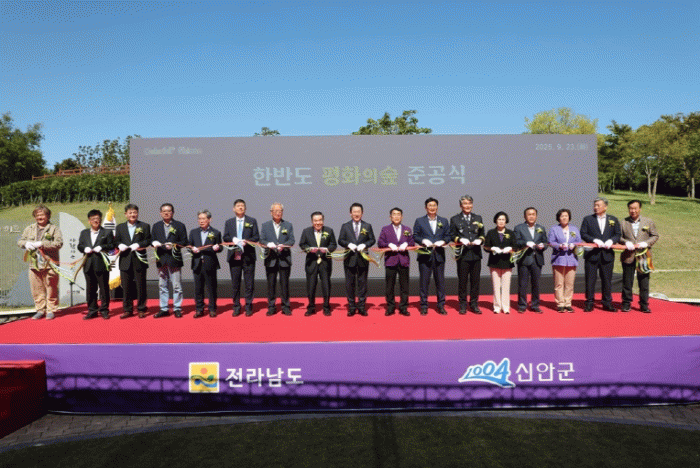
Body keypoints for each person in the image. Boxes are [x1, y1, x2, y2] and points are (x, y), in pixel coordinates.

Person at [17, 204, 64, 320]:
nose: (40, 217)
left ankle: (51, 310)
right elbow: (20, 241)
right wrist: (25, 244)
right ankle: (40, 309)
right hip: (34, 264)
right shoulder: (29, 228)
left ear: (48, 216)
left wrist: (43, 244)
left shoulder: (54, 229)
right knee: (36, 288)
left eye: (42, 215)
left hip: (50, 264)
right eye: (37, 215)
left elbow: (58, 243)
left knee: (51, 287)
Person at [580, 197, 621, 312]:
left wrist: (611, 241)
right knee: (590, 280)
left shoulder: (613, 219)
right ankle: (589, 302)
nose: (596, 207)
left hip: (607, 255)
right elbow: (583, 233)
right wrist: (594, 240)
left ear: (605, 207)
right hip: (592, 255)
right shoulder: (588, 219)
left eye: (598, 205)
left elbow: (618, 234)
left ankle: (607, 302)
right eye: (595, 205)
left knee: (607, 280)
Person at [413, 197, 451, 315]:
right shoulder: (419, 221)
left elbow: (448, 236)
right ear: (426, 207)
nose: (432, 208)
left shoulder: (444, 221)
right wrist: (423, 241)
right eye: (430, 206)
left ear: (437, 207)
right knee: (424, 282)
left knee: (440, 282)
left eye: (434, 205)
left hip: (439, 255)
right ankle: (424, 305)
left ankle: (441, 305)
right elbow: (415, 235)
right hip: (425, 255)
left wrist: (443, 241)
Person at [620, 200, 659, 313]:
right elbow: (619, 237)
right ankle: (626, 303)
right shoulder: (623, 222)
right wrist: (626, 242)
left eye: (635, 208)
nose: (633, 211)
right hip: (628, 256)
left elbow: (655, 235)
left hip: (644, 256)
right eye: (631, 208)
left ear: (640, 209)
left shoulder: (648, 221)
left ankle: (644, 304)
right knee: (627, 281)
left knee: (644, 282)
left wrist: (646, 243)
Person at [114, 204, 152, 319]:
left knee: (141, 286)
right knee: (126, 287)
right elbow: (116, 241)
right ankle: (128, 309)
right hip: (125, 260)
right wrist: (119, 245)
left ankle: (141, 308)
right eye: (130, 213)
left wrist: (138, 244)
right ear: (125, 214)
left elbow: (148, 240)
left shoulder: (144, 226)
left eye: (134, 212)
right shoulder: (120, 227)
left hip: (139, 260)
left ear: (137, 213)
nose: (132, 215)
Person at [337, 203, 376, 316]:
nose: (356, 214)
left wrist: (365, 245)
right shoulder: (345, 226)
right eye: (354, 212)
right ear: (350, 213)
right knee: (350, 284)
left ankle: (362, 306)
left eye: (358, 212)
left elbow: (372, 240)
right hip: (349, 258)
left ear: (362, 213)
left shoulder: (367, 226)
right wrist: (348, 244)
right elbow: (340, 240)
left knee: (362, 284)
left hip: (363, 258)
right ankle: (352, 307)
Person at [223, 199, 259, 317]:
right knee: (235, 283)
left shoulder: (252, 221)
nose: (240, 207)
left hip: (248, 256)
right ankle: (236, 306)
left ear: (245, 208)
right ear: (234, 209)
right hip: (234, 256)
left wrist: (246, 241)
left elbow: (256, 237)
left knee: (249, 283)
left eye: (242, 206)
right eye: (238, 206)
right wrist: (233, 240)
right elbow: (225, 237)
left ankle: (248, 306)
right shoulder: (229, 222)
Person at [151, 203, 188, 318]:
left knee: (177, 286)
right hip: (161, 259)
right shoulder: (156, 226)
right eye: (164, 211)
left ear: (173, 212)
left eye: (168, 211)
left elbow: (184, 242)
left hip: (174, 259)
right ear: (160, 213)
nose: (166, 213)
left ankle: (177, 308)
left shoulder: (179, 225)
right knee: (162, 285)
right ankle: (164, 308)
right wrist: (154, 243)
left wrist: (174, 245)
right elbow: (152, 240)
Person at [449, 195, 485, 314]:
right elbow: (451, 235)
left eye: (469, 203)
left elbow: (482, 233)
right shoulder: (455, 219)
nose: (467, 206)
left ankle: (474, 304)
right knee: (463, 281)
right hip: (463, 255)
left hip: (476, 254)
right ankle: (463, 304)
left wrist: (480, 240)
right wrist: (459, 239)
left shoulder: (478, 218)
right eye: (465, 203)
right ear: (461, 205)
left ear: (472, 205)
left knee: (475, 281)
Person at [377, 207, 415, 316]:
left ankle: (403, 307)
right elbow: (380, 242)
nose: (396, 216)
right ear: (390, 217)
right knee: (390, 286)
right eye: (394, 214)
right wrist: (389, 244)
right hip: (390, 260)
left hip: (403, 261)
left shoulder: (407, 229)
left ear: (402, 217)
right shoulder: (385, 229)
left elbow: (412, 242)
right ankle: (390, 307)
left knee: (404, 286)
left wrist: (406, 244)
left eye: (399, 214)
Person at [77, 209, 114, 320]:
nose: (95, 221)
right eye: (93, 219)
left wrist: (102, 247)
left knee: (103, 288)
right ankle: (92, 310)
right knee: (90, 289)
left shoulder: (107, 232)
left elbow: (111, 245)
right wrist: (84, 248)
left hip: (101, 264)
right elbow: (79, 246)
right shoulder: (84, 233)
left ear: (100, 220)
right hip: (88, 264)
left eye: (97, 219)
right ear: (89, 221)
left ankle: (104, 310)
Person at [298, 211, 337, 316]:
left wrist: (327, 249)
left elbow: (333, 244)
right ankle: (311, 307)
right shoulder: (306, 231)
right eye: (315, 221)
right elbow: (302, 244)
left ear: (323, 221)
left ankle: (326, 307)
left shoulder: (329, 230)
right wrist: (309, 249)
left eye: (320, 220)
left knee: (326, 285)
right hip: (312, 262)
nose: (318, 223)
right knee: (311, 286)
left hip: (325, 262)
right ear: (312, 221)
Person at [260, 203, 295, 316]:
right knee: (271, 284)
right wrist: (267, 244)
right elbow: (261, 240)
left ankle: (286, 306)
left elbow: (291, 240)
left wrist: (284, 245)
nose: (278, 213)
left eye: (280, 211)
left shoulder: (288, 225)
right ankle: (271, 307)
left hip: (284, 258)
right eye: (275, 211)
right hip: (271, 259)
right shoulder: (265, 225)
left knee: (284, 284)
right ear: (271, 212)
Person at [514, 207, 548, 313]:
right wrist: (525, 243)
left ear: (536, 216)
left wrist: (543, 246)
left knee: (536, 284)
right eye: (529, 214)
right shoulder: (519, 228)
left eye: (533, 214)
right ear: (525, 216)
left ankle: (535, 305)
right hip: (524, 259)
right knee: (522, 284)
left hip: (537, 259)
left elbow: (545, 242)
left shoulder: (541, 228)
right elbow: (516, 242)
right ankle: (522, 305)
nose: (531, 216)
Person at [188, 210, 222, 318]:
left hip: (210, 263)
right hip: (197, 263)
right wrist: (192, 249)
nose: (201, 221)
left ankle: (212, 309)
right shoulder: (193, 232)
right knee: (198, 288)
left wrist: (217, 248)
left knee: (211, 288)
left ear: (209, 219)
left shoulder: (215, 232)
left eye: (203, 219)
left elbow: (220, 246)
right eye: (199, 219)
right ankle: (199, 309)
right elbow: (189, 245)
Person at [548, 209, 580, 313]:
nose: (564, 218)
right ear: (558, 218)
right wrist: (559, 246)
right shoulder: (554, 229)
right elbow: (551, 242)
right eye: (562, 216)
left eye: (566, 216)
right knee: (559, 283)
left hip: (571, 258)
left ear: (569, 217)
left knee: (569, 284)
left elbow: (579, 242)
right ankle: (560, 304)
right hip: (559, 258)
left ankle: (568, 303)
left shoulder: (574, 229)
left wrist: (574, 245)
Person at [484, 212, 516, 314]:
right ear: (495, 221)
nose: (501, 221)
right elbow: (486, 246)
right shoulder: (491, 233)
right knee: (496, 286)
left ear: (506, 221)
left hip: (507, 262)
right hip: (494, 262)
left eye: (503, 219)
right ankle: (497, 306)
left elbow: (515, 246)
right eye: (499, 219)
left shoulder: (510, 233)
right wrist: (492, 249)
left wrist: (510, 249)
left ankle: (506, 307)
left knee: (506, 286)